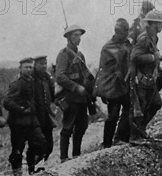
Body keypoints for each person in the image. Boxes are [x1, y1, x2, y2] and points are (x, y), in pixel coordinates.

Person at [55, 24, 94, 162]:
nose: (78, 38)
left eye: (79, 35)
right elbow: (59, 76)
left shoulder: (80, 54)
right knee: (68, 127)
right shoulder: (63, 54)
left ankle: (76, 155)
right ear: (68, 38)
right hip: (70, 96)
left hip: (81, 97)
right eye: (75, 35)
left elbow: (85, 75)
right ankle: (64, 158)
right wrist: (76, 87)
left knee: (82, 125)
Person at [130, 10, 162, 140]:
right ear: (154, 24)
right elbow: (135, 57)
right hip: (141, 80)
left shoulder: (154, 38)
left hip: (151, 79)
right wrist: (153, 57)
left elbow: (155, 61)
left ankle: (140, 130)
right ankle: (135, 136)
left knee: (156, 104)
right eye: (161, 24)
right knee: (139, 109)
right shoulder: (144, 38)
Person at [4, 57, 47, 176]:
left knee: (40, 143)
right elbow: (7, 102)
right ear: (20, 68)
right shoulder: (17, 84)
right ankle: (17, 174)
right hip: (18, 122)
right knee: (18, 150)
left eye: (30, 67)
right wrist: (21, 109)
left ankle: (33, 170)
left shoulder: (33, 82)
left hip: (32, 121)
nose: (29, 70)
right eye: (26, 67)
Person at [94, 18, 132, 147]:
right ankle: (107, 143)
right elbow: (103, 71)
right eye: (124, 31)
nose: (126, 34)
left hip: (125, 85)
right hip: (113, 87)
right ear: (117, 32)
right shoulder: (107, 48)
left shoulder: (127, 44)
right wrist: (103, 91)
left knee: (129, 109)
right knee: (113, 115)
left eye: (127, 31)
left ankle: (120, 137)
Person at [32, 55, 56, 164]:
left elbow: (53, 95)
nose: (44, 66)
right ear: (35, 65)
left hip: (46, 117)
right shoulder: (31, 79)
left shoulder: (47, 78)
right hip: (35, 118)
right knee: (37, 145)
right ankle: (33, 168)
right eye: (41, 64)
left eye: (45, 63)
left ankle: (40, 165)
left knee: (49, 146)